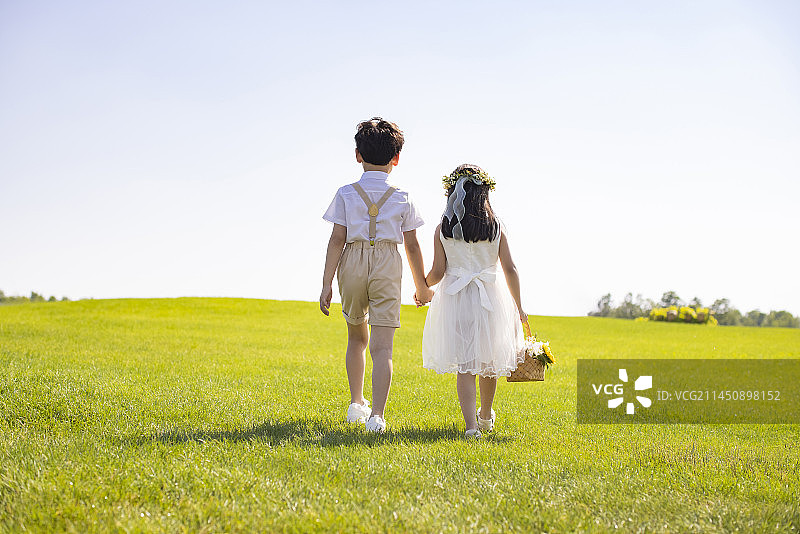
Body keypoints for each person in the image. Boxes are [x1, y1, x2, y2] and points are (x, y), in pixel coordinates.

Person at [320, 117, 433, 433]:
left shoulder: (345, 193)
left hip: (352, 261)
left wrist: (326, 283)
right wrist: (422, 287)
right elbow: (411, 245)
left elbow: (336, 240)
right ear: (396, 158)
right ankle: (377, 416)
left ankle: (357, 404)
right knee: (383, 347)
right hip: (387, 263)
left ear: (358, 154)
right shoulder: (403, 196)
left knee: (356, 336)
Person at [416, 164, 527, 438]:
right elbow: (510, 268)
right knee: (489, 361)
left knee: (466, 365)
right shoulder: (495, 227)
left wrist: (422, 286)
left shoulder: (443, 229)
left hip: (457, 299)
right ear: (484, 193)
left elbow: (438, 272)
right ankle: (486, 416)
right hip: (491, 297)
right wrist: (519, 306)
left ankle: (470, 427)